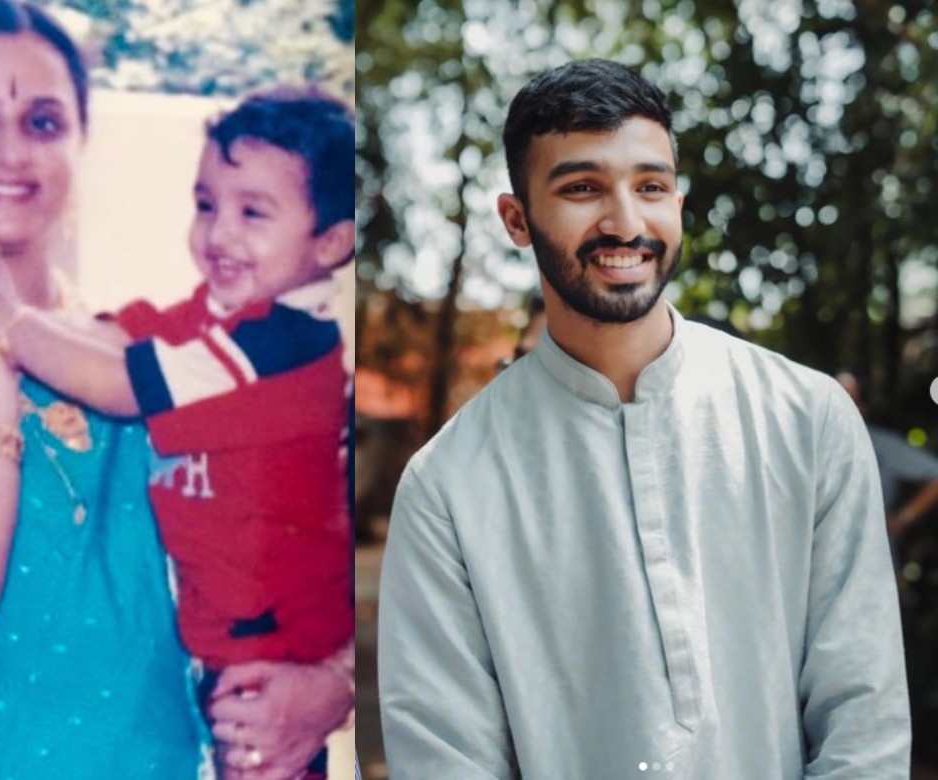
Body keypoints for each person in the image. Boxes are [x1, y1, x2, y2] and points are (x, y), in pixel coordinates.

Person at [0, 2, 352, 779]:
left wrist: (332, 684)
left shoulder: (169, 364)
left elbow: (317, 537)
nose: (10, 151)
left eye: (44, 123)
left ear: (81, 147)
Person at [377, 58, 910, 778]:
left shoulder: (806, 419)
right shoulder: (447, 487)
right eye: (582, 188)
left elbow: (864, 717)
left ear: (679, 206)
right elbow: (445, 757)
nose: (625, 222)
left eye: (650, 187)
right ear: (516, 219)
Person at [836, 370, 938, 540]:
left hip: (871, 559)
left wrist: (902, 519)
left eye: (850, 400)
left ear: (863, 407)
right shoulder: (807, 445)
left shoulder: (879, 444)